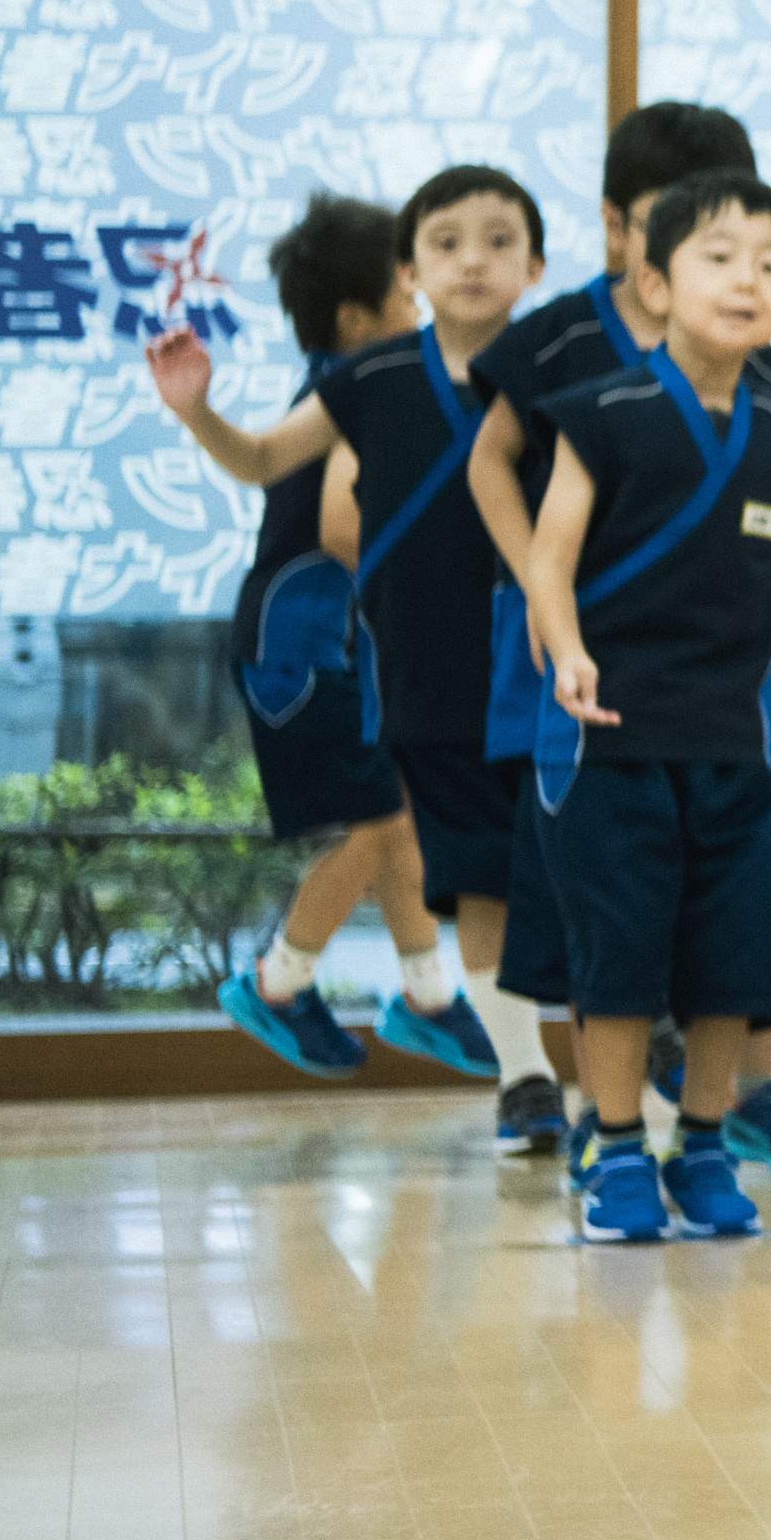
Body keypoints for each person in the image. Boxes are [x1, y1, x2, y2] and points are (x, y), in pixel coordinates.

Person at [468, 99, 771, 1171]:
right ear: (629, 239)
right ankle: (601, 1124)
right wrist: (545, 597)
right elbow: (493, 465)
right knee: (600, 902)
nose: (739, 271)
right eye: (700, 236)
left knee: (735, 908)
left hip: (723, 687)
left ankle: (739, 1107)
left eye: (763, 252)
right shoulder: (568, 346)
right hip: (593, 667)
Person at [151, 164, 544, 1136]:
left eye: (496, 243)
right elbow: (334, 520)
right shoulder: (369, 392)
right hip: (306, 650)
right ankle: (278, 980)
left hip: (334, 647)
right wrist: (436, 592)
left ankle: (427, 994)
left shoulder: (471, 379)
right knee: (379, 821)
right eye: (434, 256)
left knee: (400, 820)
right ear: (377, 303)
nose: (459, 271)